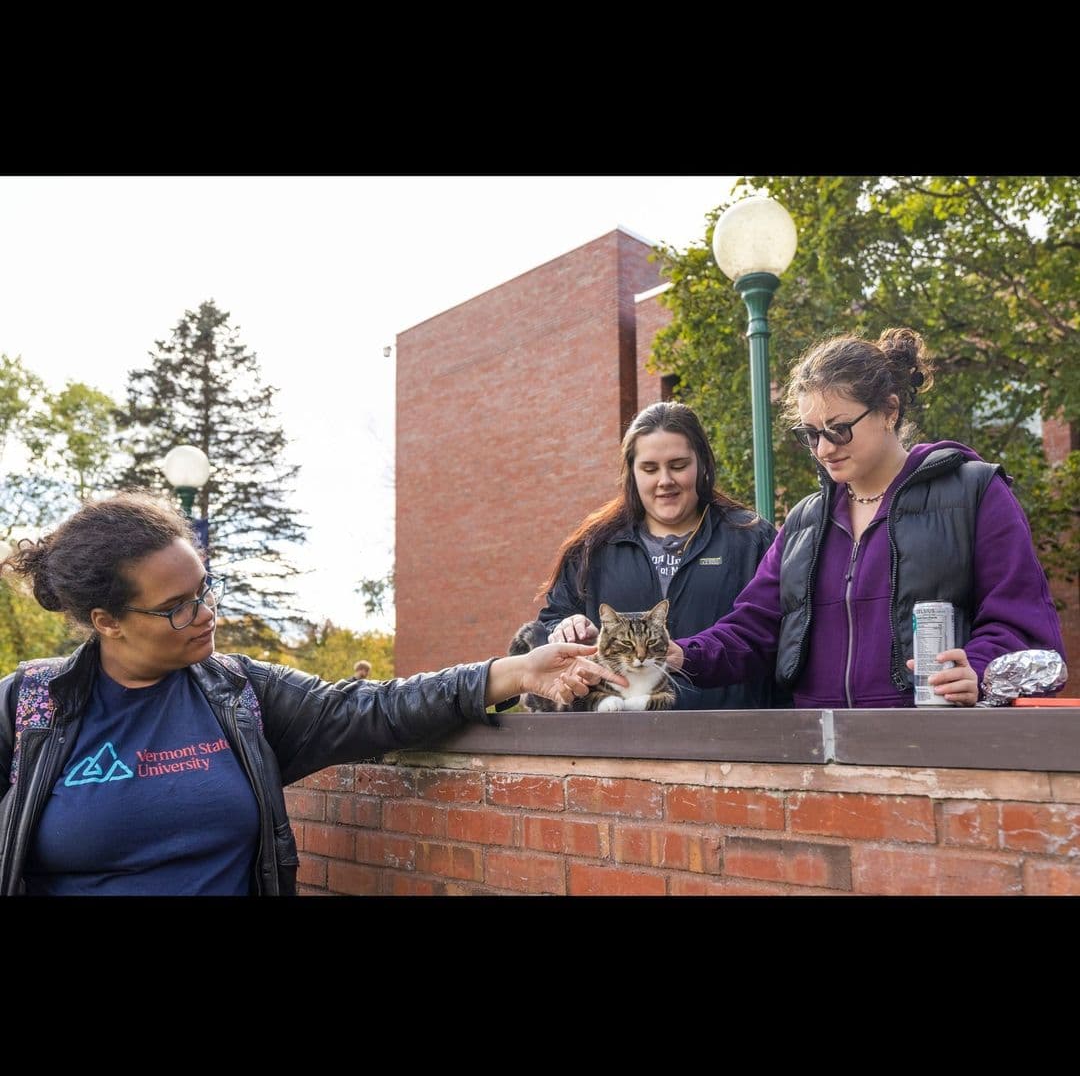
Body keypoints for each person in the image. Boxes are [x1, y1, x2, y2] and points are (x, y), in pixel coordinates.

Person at [0, 493, 622, 896]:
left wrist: (511, 673)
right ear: (108, 620)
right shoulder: (26, 710)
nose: (204, 614)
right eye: (175, 608)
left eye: (204, 590)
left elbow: (371, 707)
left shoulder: (240, 693)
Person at [666, 327, 1066, 708]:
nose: (824, 449)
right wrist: (679, 654)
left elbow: (1021, 621)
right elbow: (752, 631)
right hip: (822, 757)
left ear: (889, 410)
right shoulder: (804, 522)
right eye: (811, 433)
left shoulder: (974, 492)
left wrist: (977, 670)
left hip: (940, 746)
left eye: (839, 429)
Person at [536, 401, 781, 710]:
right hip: (618, 745)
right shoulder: (593, 547)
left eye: (678, 465)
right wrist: (562, 628)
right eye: (650, 468)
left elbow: (774, 637)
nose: (665, 480)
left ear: (702, 464)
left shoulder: (751, 539)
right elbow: (545, 635)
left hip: (730, 741)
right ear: (632, 473)